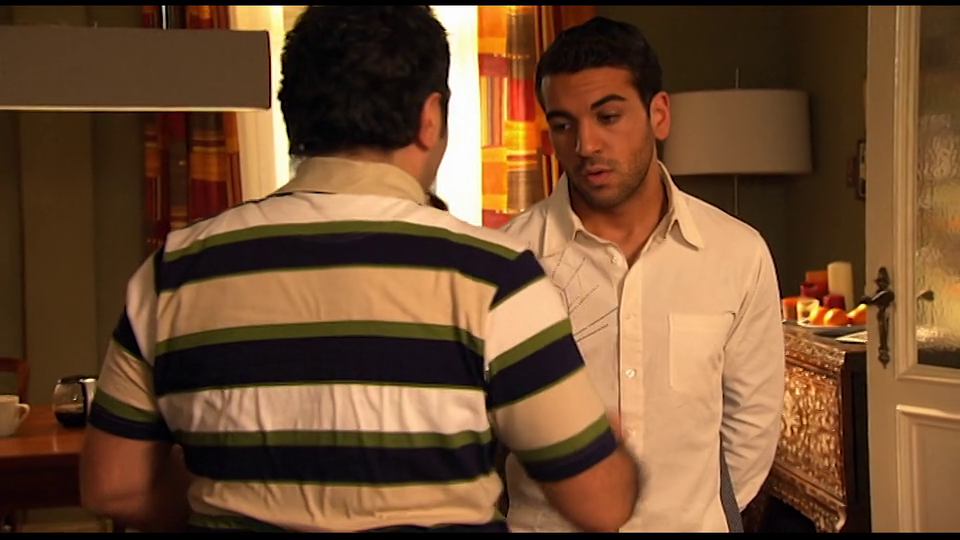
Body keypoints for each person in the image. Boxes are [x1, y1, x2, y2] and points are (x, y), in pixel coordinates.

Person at [78, 6, 642, 534]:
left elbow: (114, 487)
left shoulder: (172, 272)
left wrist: (228, 491)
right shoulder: (493, 278)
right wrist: (609, 449)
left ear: (294, 114)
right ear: (430, 118)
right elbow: (601, 504)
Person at [500, 16, 785, 533]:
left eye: (608, 117)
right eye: (564, 125)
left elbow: (753, 425)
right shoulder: (509, 261)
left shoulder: (737, 255)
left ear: (659, 115)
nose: (586, 144)